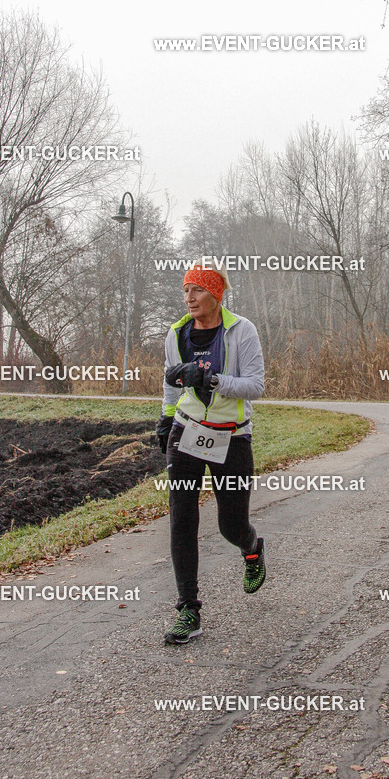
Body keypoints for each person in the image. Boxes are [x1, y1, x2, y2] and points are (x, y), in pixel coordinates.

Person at [156, 261, 266, 644]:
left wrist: (215, 380)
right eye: (186, 290)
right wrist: (167, 420)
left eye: (198, 290)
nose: (190, 298)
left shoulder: (241, 330)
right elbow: (173, 383)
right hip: (187, 434)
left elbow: (255, 385)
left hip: (232, 437)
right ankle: (189, 609)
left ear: (216, 295)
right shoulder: (176, 333)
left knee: (230, 526)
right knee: (182, 520)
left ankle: (251, 548)